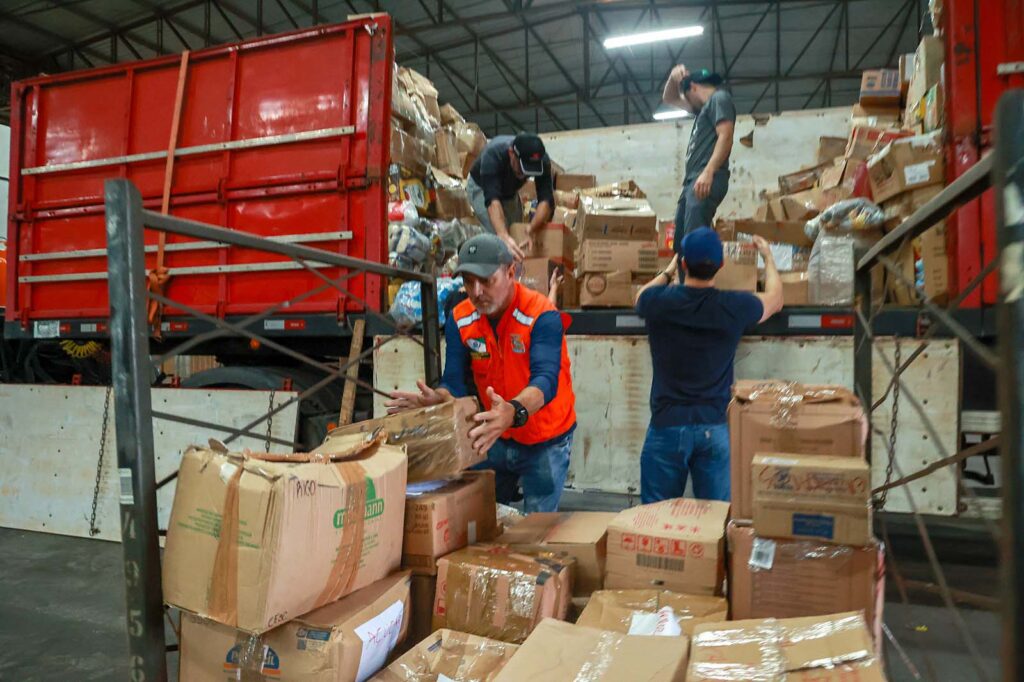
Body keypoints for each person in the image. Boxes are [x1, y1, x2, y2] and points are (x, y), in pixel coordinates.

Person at [386, 234, 576, 512]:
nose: (476, 291)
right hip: (494, 436)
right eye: (468, 282)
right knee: (487, 520)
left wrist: (512, 411)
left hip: (544, 439)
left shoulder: (541, 314)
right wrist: (439, 399)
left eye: (487, 280)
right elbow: (454, 380)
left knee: (536, 530)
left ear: (511, 273)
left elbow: (546, 380)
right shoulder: (461, 317)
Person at [633, 228, 783, 503]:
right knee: (716, 523)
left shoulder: (659, 302)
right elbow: (775, 300)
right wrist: (767, 257)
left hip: (666, 426)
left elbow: (640, 296)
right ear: (721, 266)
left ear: (683, 264)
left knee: (653, 520)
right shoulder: (733, 306)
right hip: (713, 427)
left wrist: (667, 273)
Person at [661, 65, 736, 253]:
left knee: (694, 242)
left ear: (693, 87)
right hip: (693, 181)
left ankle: (696, 281)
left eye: (685, 96)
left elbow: (725, 136)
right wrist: (673, 77)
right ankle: (685, 281)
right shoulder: (703, 110)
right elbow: (669, 98)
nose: (686, 102)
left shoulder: (719, 98)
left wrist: (708, 172)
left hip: (706, 176)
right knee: (681, 242)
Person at [467, 133, 554, 261]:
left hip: (509, 191)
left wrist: (532, 228)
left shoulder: (542, 161)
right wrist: (503, 235)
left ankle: (516, 273)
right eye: (522, 169)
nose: (524, 174)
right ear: (511, 153)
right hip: (481, 186)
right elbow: (492, 200)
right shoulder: (493, 154)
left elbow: (546, 200)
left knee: (517, 233)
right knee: (498, 238)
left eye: (529, 171)